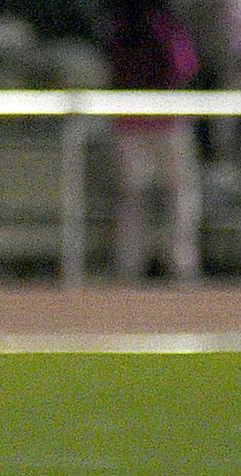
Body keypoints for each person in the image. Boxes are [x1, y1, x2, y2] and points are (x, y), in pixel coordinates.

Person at [101, 0, 201, 282]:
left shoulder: (125, 24)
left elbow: (184, 66)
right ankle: (176, 268)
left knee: (142, 198)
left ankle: (139, 267)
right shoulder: (150, 24)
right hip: (148, 121)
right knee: (158, 197)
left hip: (148, 120)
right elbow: (185, 67)